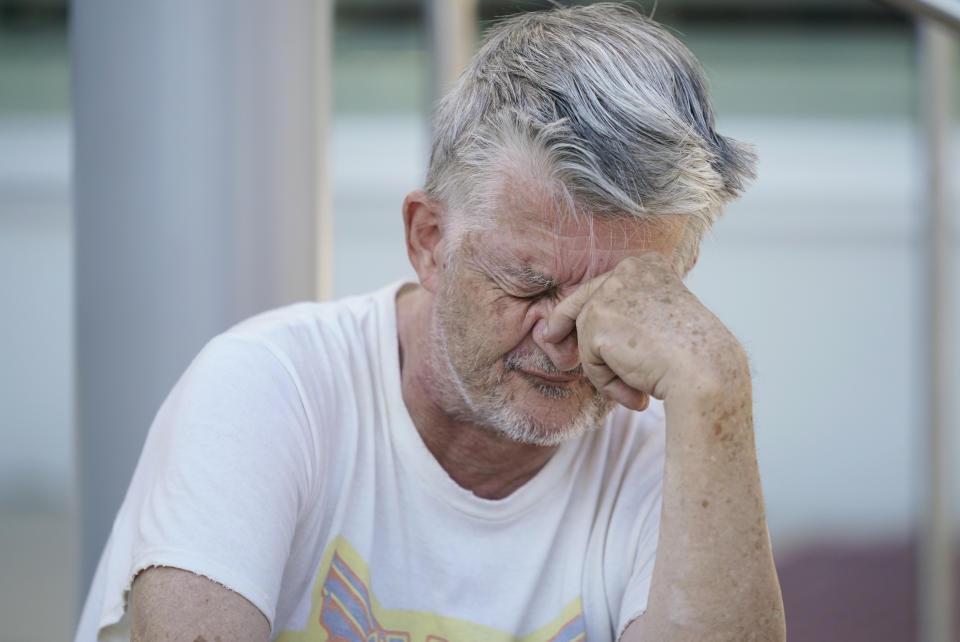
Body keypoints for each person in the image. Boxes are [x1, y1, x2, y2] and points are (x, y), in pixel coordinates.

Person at [76, 4, 785, 641]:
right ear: (429, 241)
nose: (563, 336)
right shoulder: (267, 387)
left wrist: (717, 386)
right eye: (529, 282)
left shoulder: (675, 453)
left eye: (618, 298)